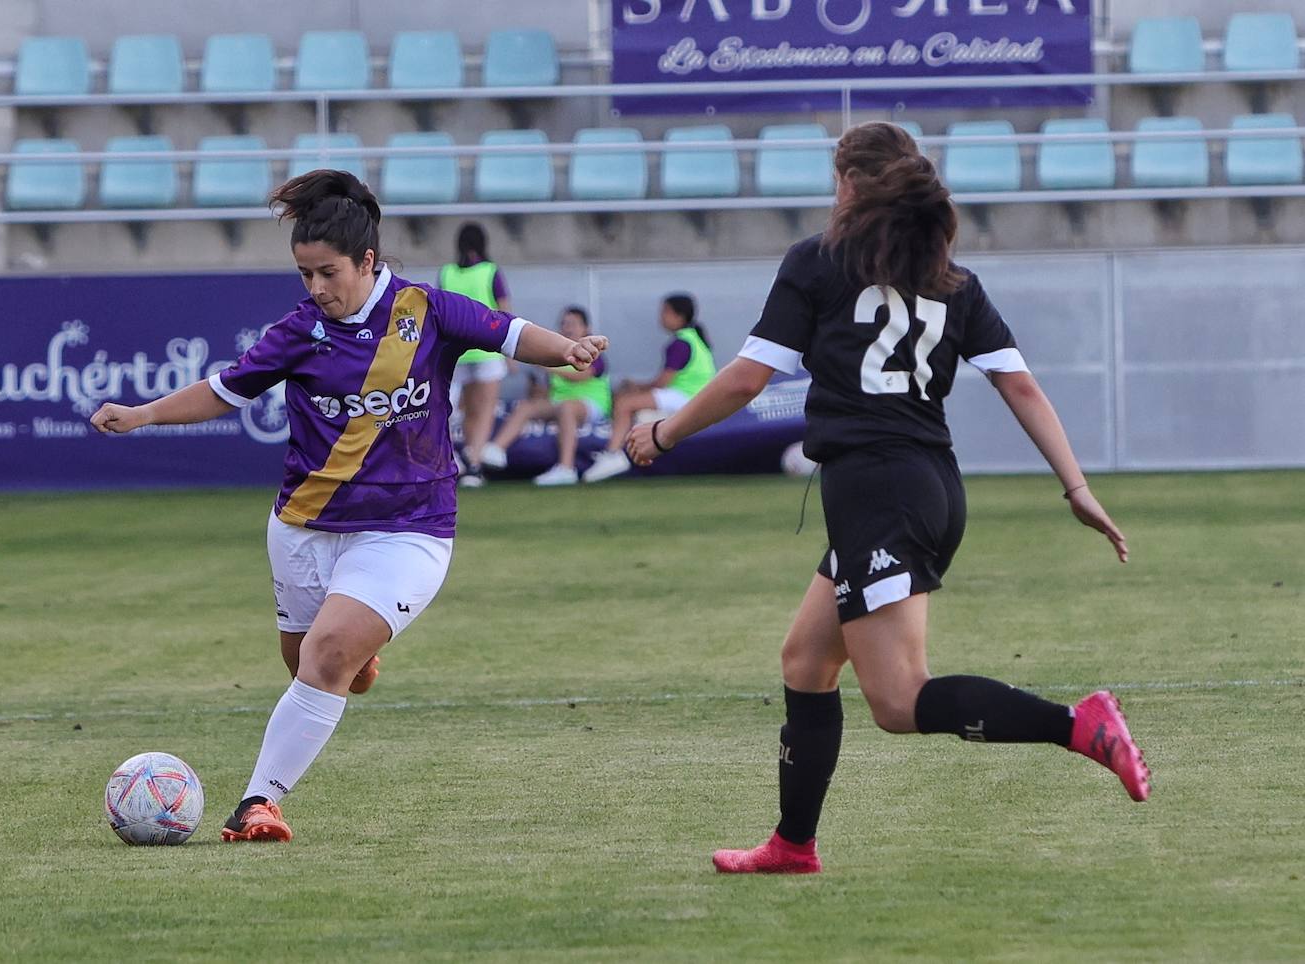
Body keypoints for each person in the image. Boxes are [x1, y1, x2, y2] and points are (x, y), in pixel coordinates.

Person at [625, 122, 1148, 875]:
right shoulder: (951, 278)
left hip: (879, 493)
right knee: (806, 658)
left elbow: (747, 379)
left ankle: (1080, 725)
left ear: (847, 186)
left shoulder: (818, 263)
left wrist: (662, 435)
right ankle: (791, 845)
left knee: (900, 703)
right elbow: (1020, 384)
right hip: (923, 485)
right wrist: (1078, 486)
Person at [90, 170, 607, 844]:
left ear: (367, 262)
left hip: (409, 528)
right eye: (304, 274)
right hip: (303, 528)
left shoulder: (430, 310)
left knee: (326, 655)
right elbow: (224, 390)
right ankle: (355, 654)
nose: (316, 288)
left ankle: (258, 803)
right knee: (305, 661)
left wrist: (565, 349)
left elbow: (510, 334)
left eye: (327, 273)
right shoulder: (299, 331)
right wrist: (144, 415)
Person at [582, 293, 715, 483]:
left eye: (664, 312)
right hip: (695, 395)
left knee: (624, 402)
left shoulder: (681, 343)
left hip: (687, 396)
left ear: (678, 315)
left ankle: (614, 454)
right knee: (629, 399)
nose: (660, 317)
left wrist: (635, 387)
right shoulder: (694, 338)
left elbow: (663, 382)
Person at [480, 305, 612, 486]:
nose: (568, 328)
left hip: (591, 404)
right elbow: (547, 392)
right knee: (528, 407)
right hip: (559, 403)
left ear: (586, 328)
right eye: (564, 324)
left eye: (573, 324)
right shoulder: (556, 353)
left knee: (567, 409)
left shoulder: (592, 352)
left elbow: (582, 375)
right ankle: (496, 449)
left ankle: (566, 468)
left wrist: (549, 368)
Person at [439, 222, 511, 488]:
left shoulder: (447, 272)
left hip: (457, 351)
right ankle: (474, 462)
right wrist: (512, 356)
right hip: (489, 349)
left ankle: (458, 459)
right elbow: (505, 311)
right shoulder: (490, 271)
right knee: (484, 411)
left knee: (459, 410)